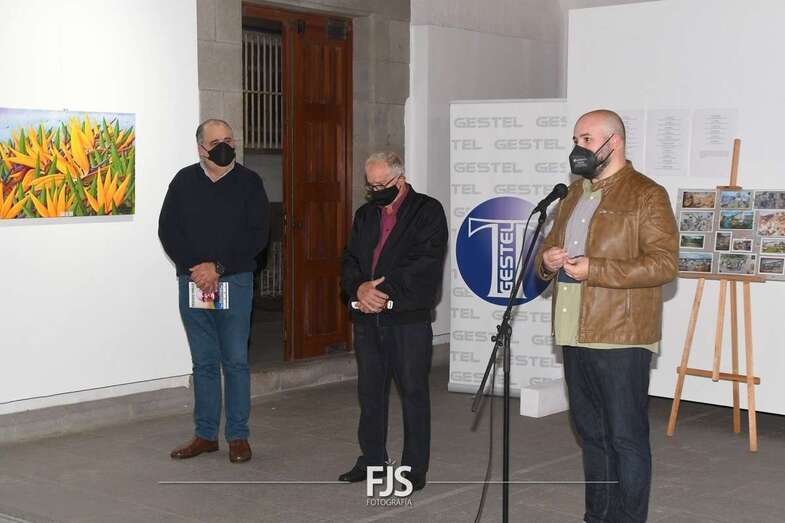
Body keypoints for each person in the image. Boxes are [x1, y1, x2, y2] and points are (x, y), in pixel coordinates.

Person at [535, 110, 678, 522]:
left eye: (585, 138)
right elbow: (547, 255)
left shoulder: (647, 194)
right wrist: (547, 260)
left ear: (612, 142)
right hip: (573, 331)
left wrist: (595, 269)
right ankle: (597, 517)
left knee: (625, 439)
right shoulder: (573, 194)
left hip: (620, 335)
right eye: (575, 138)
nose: (577, 147)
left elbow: (664, 264)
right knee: (592, 437)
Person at [159, 119, 270, 463]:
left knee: (235, 361)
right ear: (201, 149)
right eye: (216, 141)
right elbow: (168, 229)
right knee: (204, 362)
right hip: (193, 282)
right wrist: (198, 269)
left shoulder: (250, 183)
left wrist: (217, 268)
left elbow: (258, 236)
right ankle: (205, 435)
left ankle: (237, 436)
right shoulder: (183, 181)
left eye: (229, 139)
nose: (224, 146)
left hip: (234, 282)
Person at [338, 152, 448, 492]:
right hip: (367, 319)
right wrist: (358, 288)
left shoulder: (428, 211)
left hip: (407, 320)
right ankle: (372, 459)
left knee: (413, 392)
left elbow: (424, 264)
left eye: (381, 185)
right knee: (370, 393)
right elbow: (351, 259)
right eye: (370, 186)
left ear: (399, 179)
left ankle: (415, 468)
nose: (375, 191)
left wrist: (378, 292)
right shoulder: (365, 214)